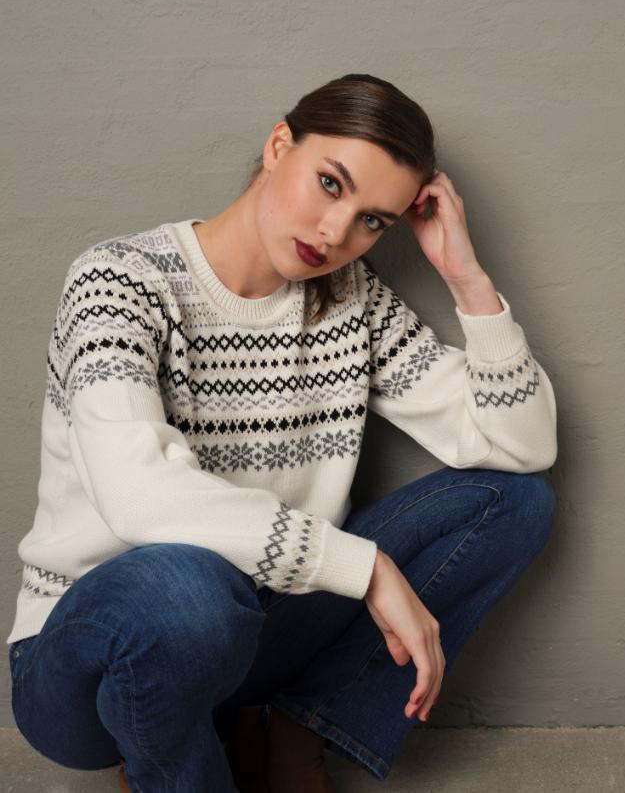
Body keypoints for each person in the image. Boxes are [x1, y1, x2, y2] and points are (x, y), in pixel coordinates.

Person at [6, 73, 558, 792]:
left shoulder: (350, 300)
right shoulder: (119, 283)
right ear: (278, 146)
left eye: (373, 221)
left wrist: (467, 279)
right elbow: (138, 495)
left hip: (257, 632)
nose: (337, 233)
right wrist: (366, 567)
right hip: (88, 661)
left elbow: (523, 446)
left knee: (514, 501)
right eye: (330, 183)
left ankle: (299, 729)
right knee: (186, 586)